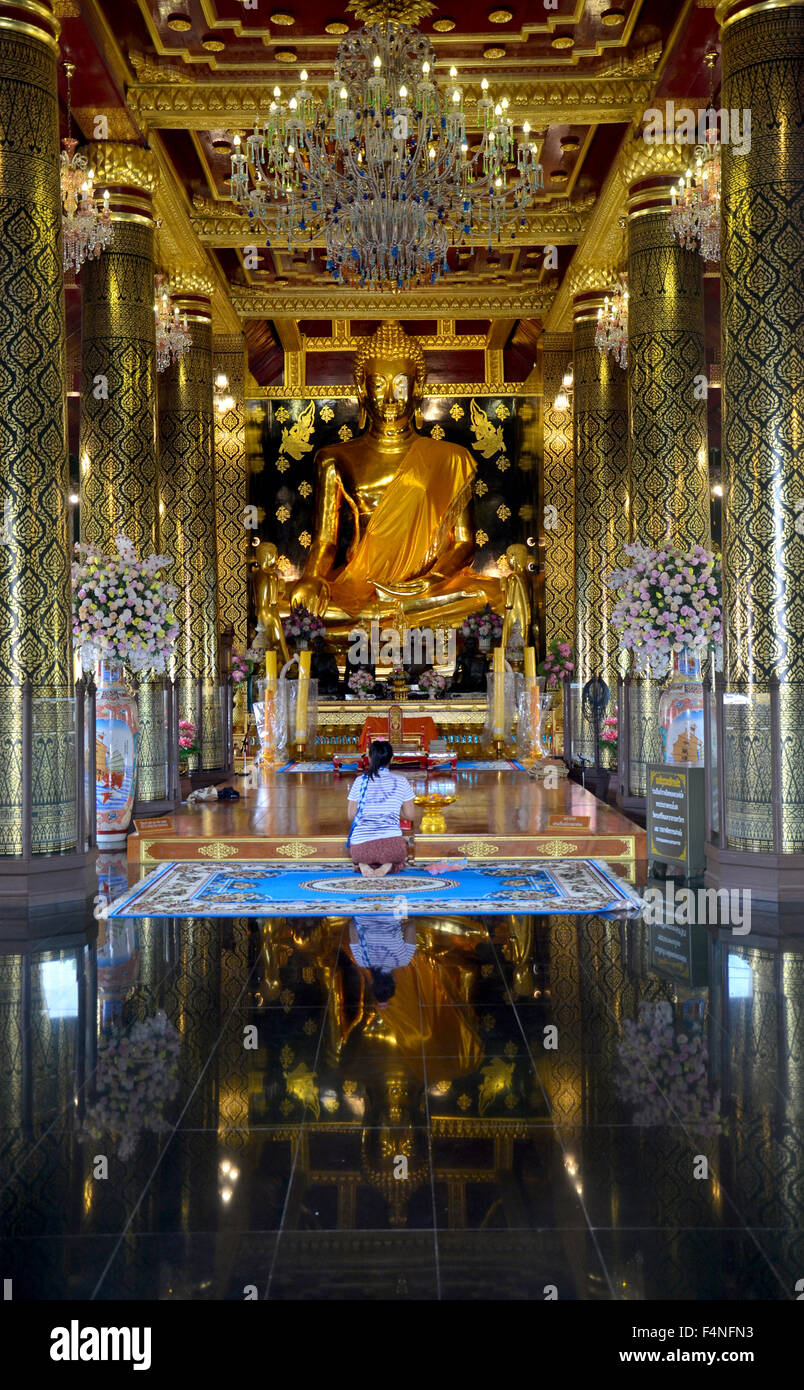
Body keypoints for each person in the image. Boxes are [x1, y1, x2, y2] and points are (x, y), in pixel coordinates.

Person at [347, 739, 415, 877]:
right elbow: (410, 815)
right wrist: (395, 808)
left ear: (369, 758)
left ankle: (362, 863)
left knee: (360, 853)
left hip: (360, 848)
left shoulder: (360, 781)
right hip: (392, 847)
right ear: (392, 758)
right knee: (401, 854)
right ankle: (388, 865)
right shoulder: (401, 781)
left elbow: (351, 815)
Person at [348, 914, 418, 1008]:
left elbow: (411, 925)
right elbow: (352, 925)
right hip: (363, 910)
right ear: (372, 981)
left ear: (393, 980)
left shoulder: (404, 960)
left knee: (403, 908)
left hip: (393, 908)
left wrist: (396, 928)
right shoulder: (361, 961)